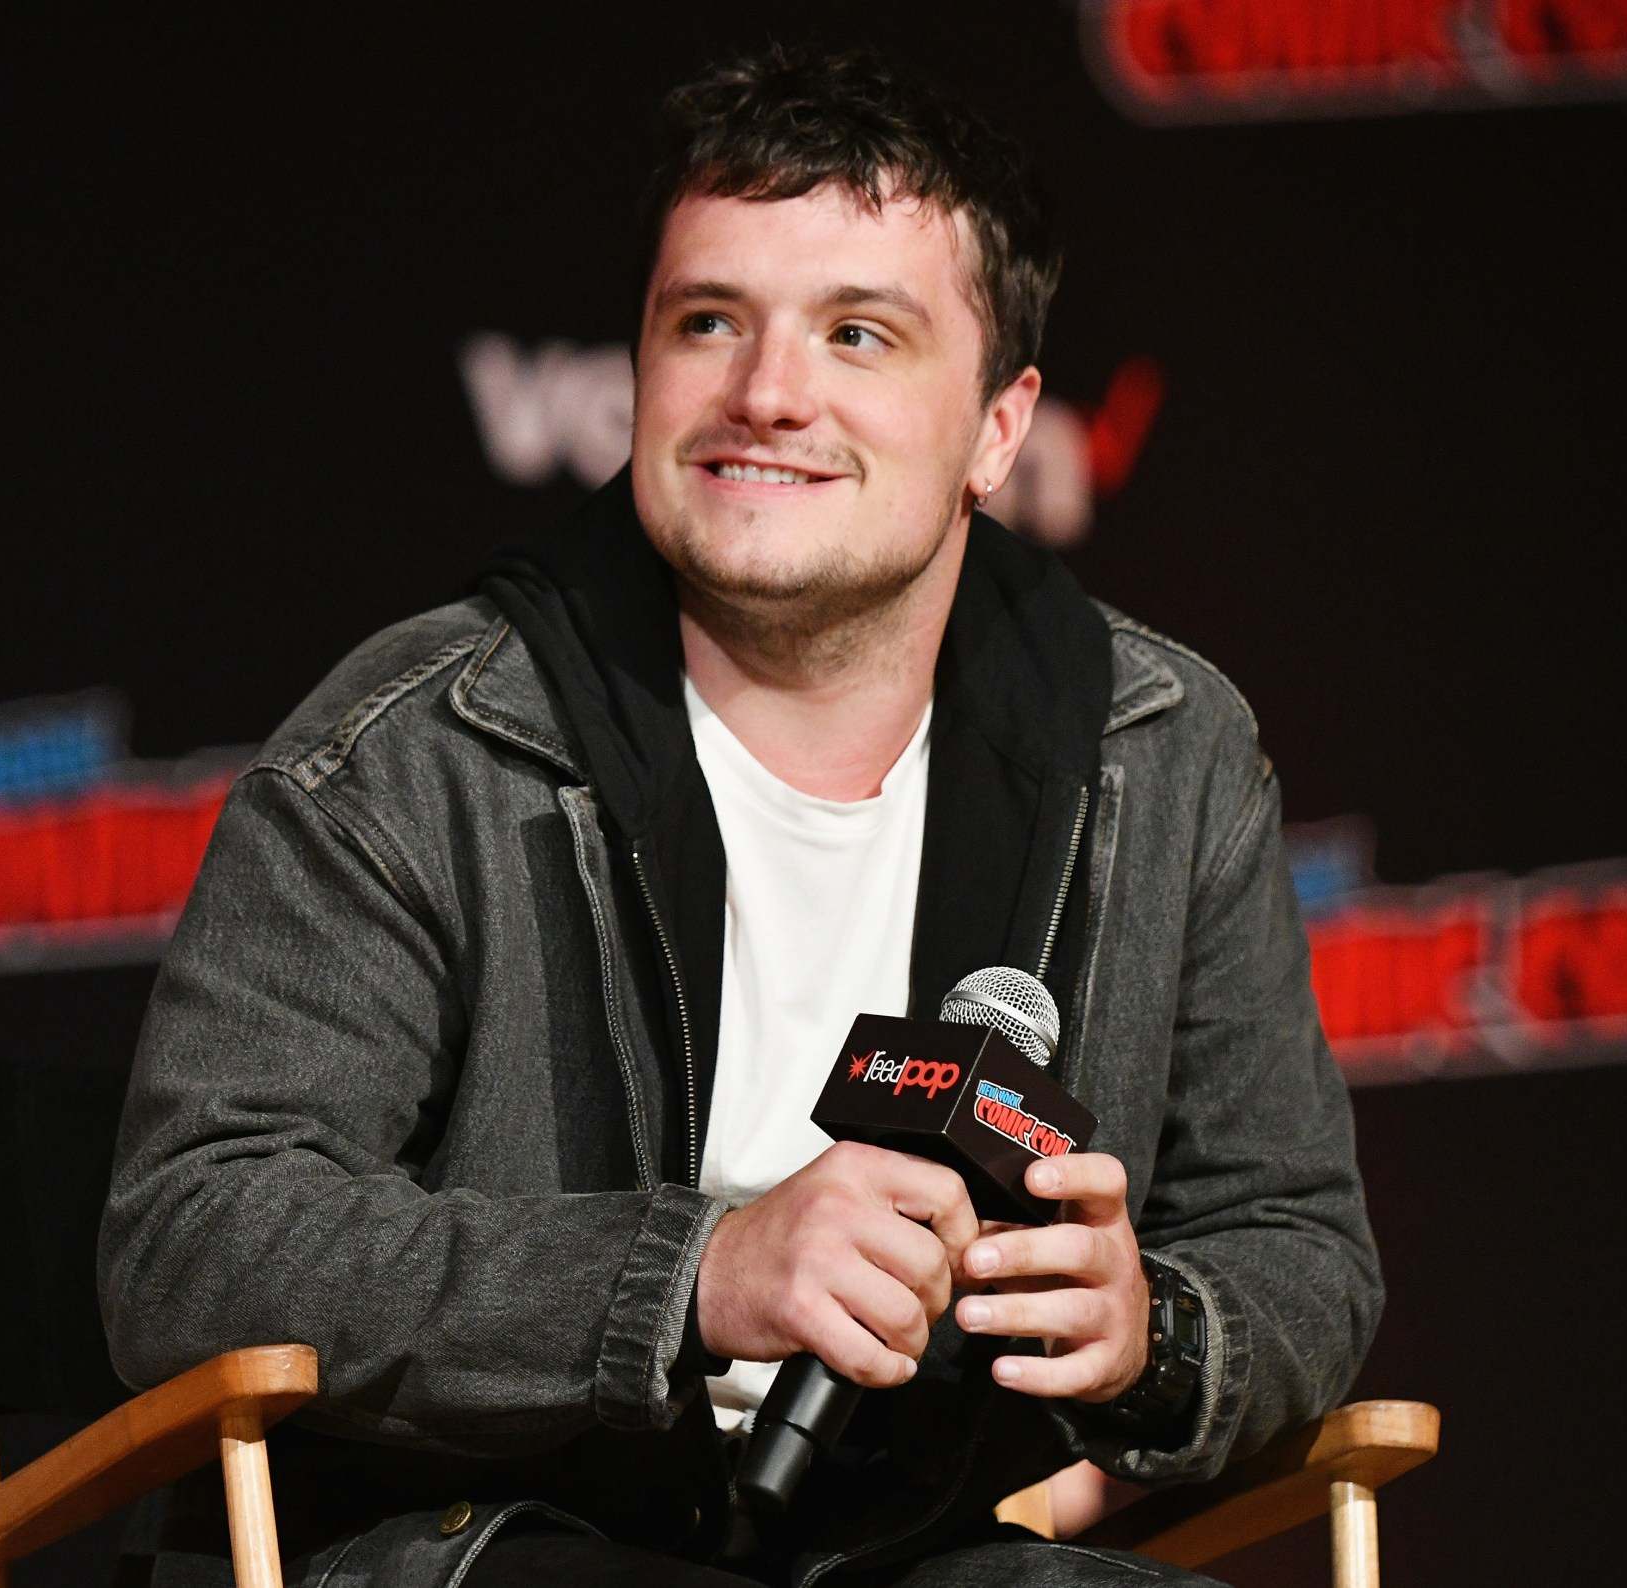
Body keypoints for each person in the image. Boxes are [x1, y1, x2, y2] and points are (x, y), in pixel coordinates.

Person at [100, 44, 1380, 1588]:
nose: (767, 394)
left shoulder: (1162, 754)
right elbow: (196, 1242)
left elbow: (1295, 1243)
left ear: (999, 427)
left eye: (858, 334)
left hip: (906, 1554)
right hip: (485, 1542)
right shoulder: (419, 747)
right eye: (708, 321)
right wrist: (695, 1273)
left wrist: (1148, 1332)